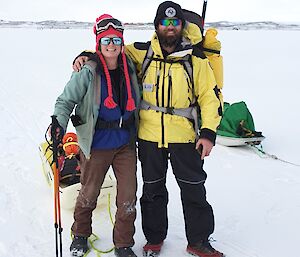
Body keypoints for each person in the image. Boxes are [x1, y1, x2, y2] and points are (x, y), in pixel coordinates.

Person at [73, 2, 224, 257]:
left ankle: (198, 241)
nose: (170, 27)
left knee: (193, 188)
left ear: (182, 26)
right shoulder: (142, 52)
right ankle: (154, 239)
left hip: (185, 136)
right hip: (148, 136)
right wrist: (86, 54)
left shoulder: (195, 60)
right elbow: (111, 50)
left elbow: (210, 97)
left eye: (175, 22)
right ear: (157, 26)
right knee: (153, 190)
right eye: (165, 23)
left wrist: (208, 133)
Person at [53, 14, 140, 257]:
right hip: (96, 143)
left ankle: (124, 244)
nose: (111, 44)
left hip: (124, 143)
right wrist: (59, 124)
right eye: (106, 40)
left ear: (122, 42)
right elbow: (65, 100)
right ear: (98, 43)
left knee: (128, 196)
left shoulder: (131, 66)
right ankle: (80, 233)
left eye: (115, 39)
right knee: (89, 192)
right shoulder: (87, 70)